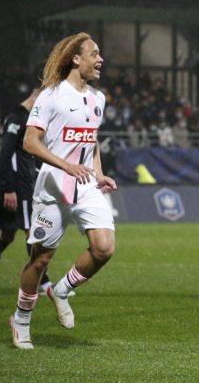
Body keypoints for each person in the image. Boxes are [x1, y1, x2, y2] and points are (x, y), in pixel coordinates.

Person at [9, 33, 118, 350]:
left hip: (85, 185)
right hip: (54, 185)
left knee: (104, 248)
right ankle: (21, 319)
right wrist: (64, 165)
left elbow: (91, 140)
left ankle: (62, 289)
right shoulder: (51, 96)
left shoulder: (98, 99)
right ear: (76, 58)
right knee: (40, 260)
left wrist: (98, 174)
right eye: (94, 54)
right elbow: (30, 142)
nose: (100, 60)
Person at [0, 90, 47, 294]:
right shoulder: (17, 118)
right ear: (37, 98)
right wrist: (8, 189)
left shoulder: (24, 118)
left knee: (5, 235)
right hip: (16, 188)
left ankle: (42, 282)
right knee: (32, 232)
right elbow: (5, 155)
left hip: (19, 186)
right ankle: (42, 283)